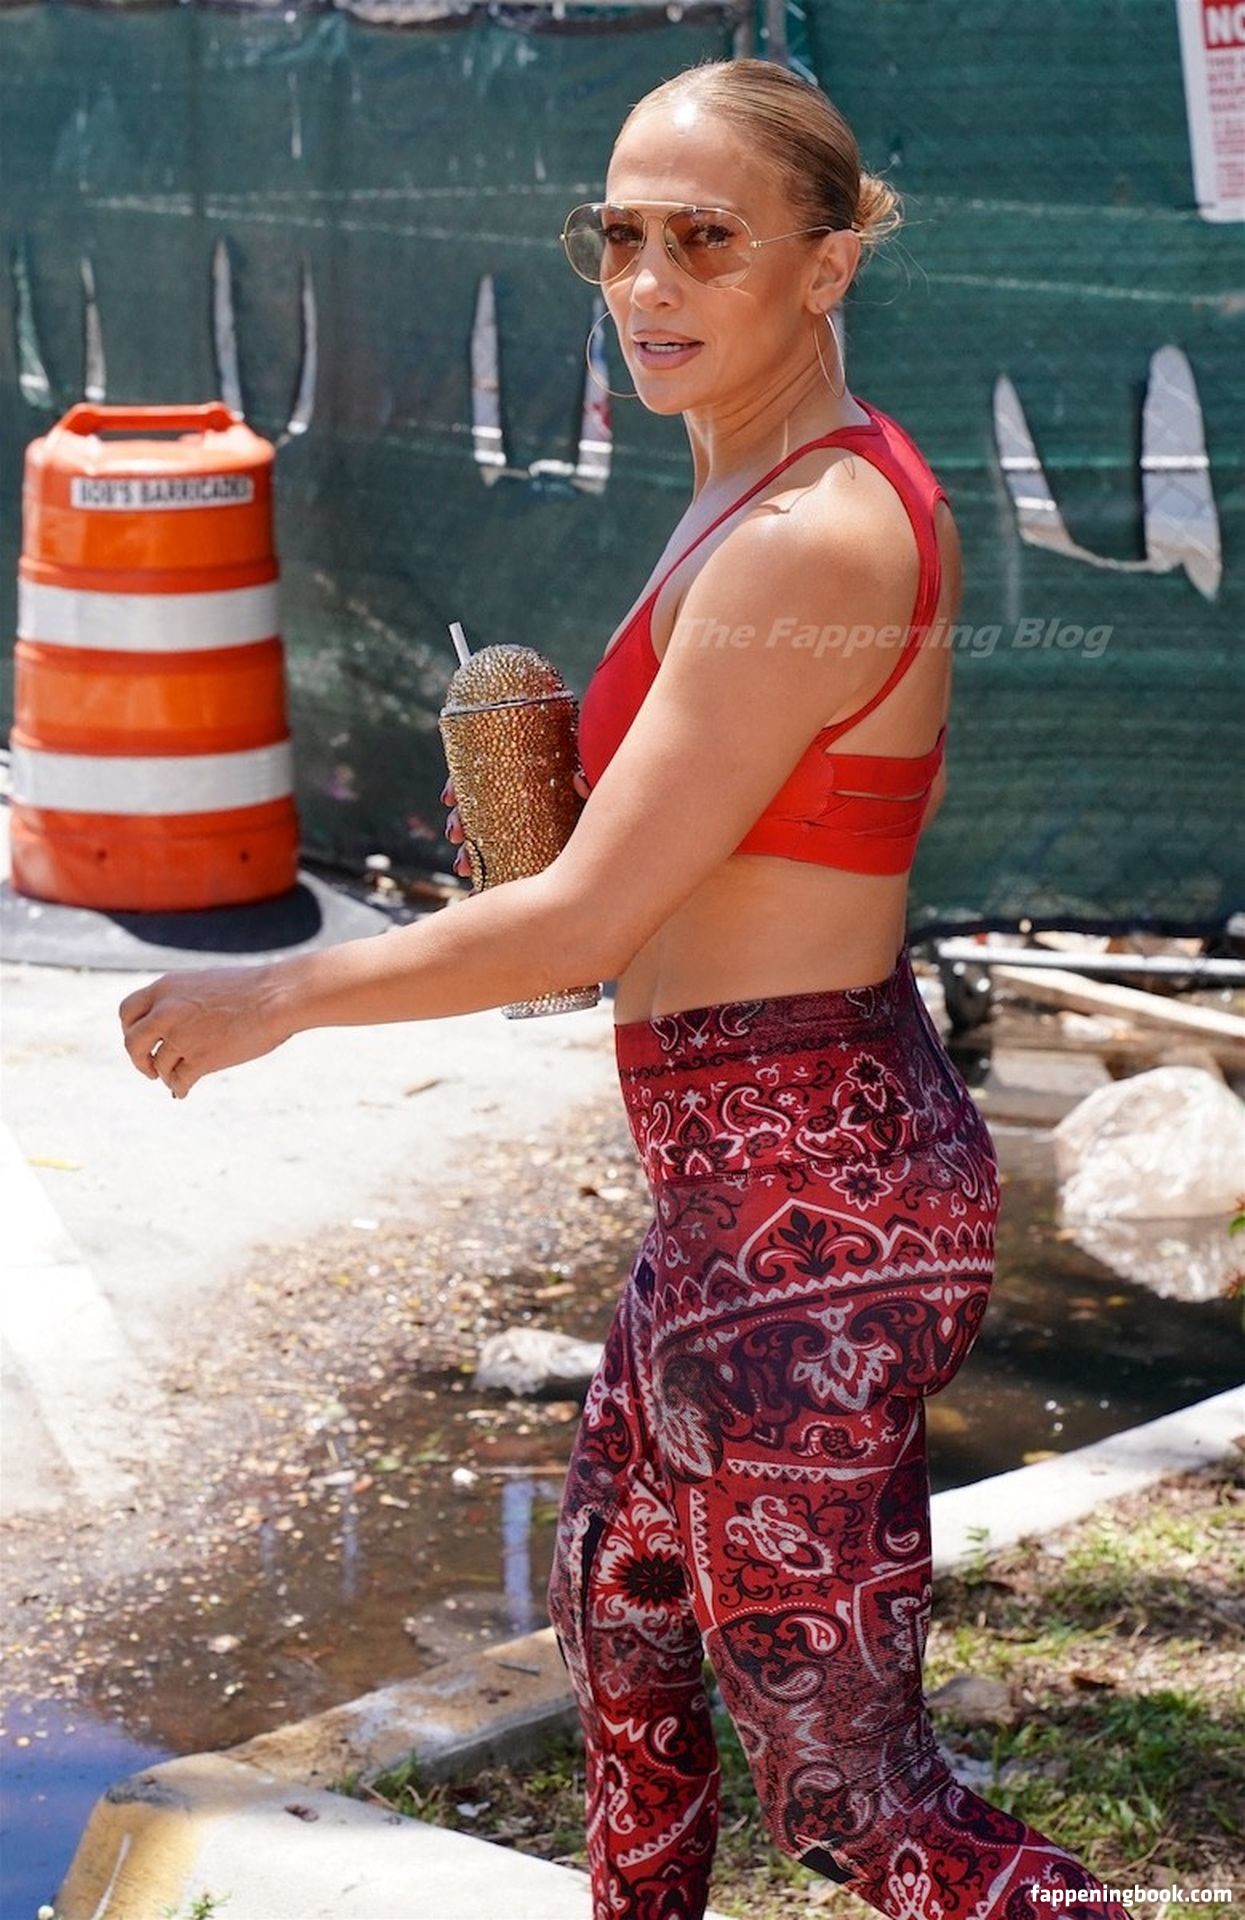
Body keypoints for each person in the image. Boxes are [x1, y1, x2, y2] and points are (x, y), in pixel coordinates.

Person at [119, 54, 1129, 1920]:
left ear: (827, 264)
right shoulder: (752, 482)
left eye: (706, 241)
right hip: (738, 1194)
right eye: (619, 238)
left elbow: (582, 926)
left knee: (851, 1794)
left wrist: (282, 998)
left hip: (813, 1206)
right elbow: (696, 854)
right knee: (626, 1628)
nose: (647, 284)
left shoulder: (811, 533)